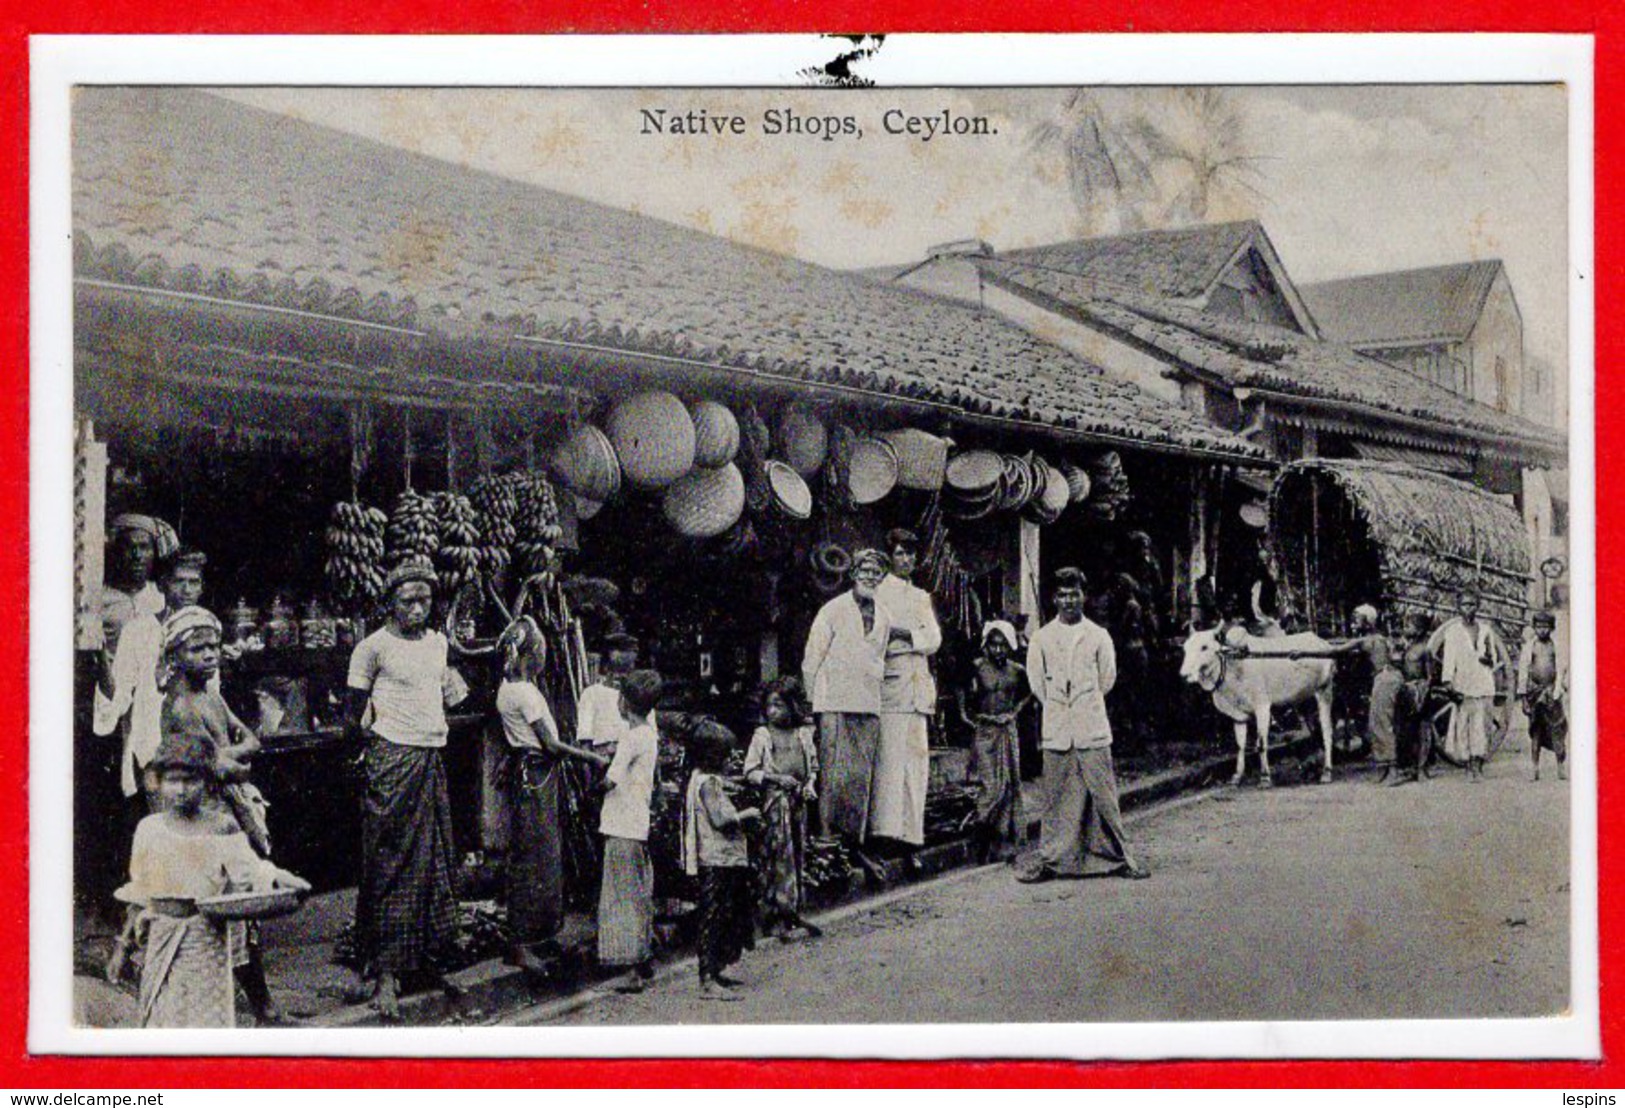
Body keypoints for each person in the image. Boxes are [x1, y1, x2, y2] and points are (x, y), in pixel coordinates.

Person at [112, 731, 308, 1028]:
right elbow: (140, 892)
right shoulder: (149, 830)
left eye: (190, 780)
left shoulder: (221, 827)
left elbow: (253, 872)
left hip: (205, 941)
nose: (180, 790)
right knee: (161, 1023)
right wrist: (122, 949)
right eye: (172, 780)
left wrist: (286, 881)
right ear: (158, 781)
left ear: (207, 782)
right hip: (161, 941)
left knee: (203, 1023)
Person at [147, 605, 287, 1022]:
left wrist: (231, 758)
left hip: (224, 806)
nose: (209, 655)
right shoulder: (181, 706)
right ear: (175, 655)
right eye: (197, 649)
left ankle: (259, 1005)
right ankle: (256, 1006)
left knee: (239, 911)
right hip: (205, 815)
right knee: (222, 910)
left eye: (213, 646)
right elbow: (225, 767)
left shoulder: (210, 694)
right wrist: (233, 761)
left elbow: (248, 743)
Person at [344, 562, 467, 1020]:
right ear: (389, 603)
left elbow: (451, 695)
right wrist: (368, 757)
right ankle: (385, 974)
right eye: (407, 600)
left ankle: (424, 962)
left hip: (430, 758)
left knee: (434, 862)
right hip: (391, 762)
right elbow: (353, 716)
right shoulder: (371, 648)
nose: (417, 608)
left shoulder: (438, 644)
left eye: (424, 599)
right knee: (391, 862)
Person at [494, 616, 610, 976]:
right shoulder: (525, 693)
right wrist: (590, 756)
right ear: (529, 655)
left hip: (531, 774)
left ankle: (538, 935)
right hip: (537, 775)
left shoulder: (508, 687)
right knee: (534, 857)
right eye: (541, 650)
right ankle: (521, 943)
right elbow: (551, 744)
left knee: (540, 854)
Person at [1018, 567, 1148, 883]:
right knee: (1057, 798)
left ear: (1084, 596)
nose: (1069, 600)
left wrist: (1083, 701)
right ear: (1054, 598)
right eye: (1062, 594)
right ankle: (1051, 860)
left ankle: (1122, 857)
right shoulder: (1041, 638)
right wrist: (1061, 705)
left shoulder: (1098, 636)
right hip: (1058, 727)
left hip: (1091, 723)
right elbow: (1037, 684)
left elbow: (1107, 679)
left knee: (1103, 793)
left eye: (1074, 593)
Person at [802, 549, 893, 851]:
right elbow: (811, 660)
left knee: (860, 776)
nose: (870, 575)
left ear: (882, 577)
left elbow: (879, 657)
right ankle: (827, 835)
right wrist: (811, 703)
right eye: (864, 570)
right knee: (833, 773)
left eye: (876, 571)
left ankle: (853, 840)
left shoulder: (885, 615)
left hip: (868, 702)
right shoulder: (832, 610)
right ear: (853, 574)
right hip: (834, 702)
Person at [872, 529, 941, 853]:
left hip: (917, 689)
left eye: (911, 554)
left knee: (916, 762)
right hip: (892, 687)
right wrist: (909, 637)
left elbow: (934, 639)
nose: (907, 560)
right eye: (900, 553)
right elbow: (878, 638)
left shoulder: (920, 597)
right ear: (890, 557)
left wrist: (906, 634)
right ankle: (886, 834)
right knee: (890, 762)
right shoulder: (878, 594)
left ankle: (912, 835)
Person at [682, 725, 761, 1001]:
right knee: (714, 918)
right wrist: (747, 814)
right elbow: (719, 819)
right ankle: (707, 979)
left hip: (718, 859)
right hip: (718, 860)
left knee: (720, 916)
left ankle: (714, 973)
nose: (731, 760)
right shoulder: (709, 784)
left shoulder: (701, 779)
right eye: (726, 756)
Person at [597, 668, 664, 994]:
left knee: (621, 897)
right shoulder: (648, 735)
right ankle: (644, 957)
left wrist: (593, 784)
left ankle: (630, 970)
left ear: (624, 703)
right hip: (637, 823)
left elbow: (611, 779)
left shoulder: (629, 737)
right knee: (638, 893)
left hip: (620, 823)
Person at [1286, 605, 1404, 783]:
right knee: (1376, 724)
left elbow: (1334, 651)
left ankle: (1393, 771)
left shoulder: (1367, 640)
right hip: (1387, 677)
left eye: (1358, 619)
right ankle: (1385, 769)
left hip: (1385, 679)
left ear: (1367, 620)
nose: (1354, 622)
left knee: (1381, 724)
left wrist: (1304, 653)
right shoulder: (1379, 638)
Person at [743, 677, 823, 941]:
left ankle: (795, 910)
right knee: (778, 856)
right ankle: (775, 914)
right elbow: (751, 771)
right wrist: (776, 779)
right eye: (769, 706)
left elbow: (812, 767)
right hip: (775, 804)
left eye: (779, 705)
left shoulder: (803, 735)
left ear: (793, 706)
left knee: (798, 852)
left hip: (797, 802)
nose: (773, 711)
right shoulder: (763, 736)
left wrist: (809, 784)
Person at [956, 620, 1030, 862]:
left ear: (1009, 646)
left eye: (1002, 646)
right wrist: (964, 714)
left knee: (1009, 784)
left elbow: (1032, 692)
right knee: (991, 786)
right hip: (985, 730)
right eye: (993, 645)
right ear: (986, 646)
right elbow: (959, 686)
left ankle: (1002, 842)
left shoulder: (1017, 670)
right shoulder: (978, 668)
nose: (998, 650)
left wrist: (1014, 712)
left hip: (1007, 730)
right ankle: (980, 841)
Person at [1427, 591, 1510, 782]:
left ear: (1477, 606)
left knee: (1481, 727)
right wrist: (1449, 684)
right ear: (1458, 607)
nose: (1468, 608)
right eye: (1465, 605)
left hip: (1483, 683)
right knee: (1462, 727)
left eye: (1472, 604)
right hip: (1463, 685)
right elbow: (1448, 662)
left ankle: (1477, 766)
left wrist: (1488, 659)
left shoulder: (1486, 630)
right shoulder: (1453, 632)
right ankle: (1467, 767)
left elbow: (1494, 659)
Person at [576, 632, 649, 756]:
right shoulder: (591, 694)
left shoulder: (639, 693)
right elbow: (585, 742)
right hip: (603, 762)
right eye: (617, 675)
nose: (619, 678)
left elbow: (649, 737)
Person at [1519, 610, 1568, 782]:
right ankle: (1534, 767)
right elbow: (1523, 672)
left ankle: (1561, 767)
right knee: (1536, 730)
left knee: (1557, 729)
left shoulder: (1556, 646)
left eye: (1546, 627)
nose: (1542, 630)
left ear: (1551, 628)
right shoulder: (1529, 647)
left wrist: (1558, 689)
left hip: (1551, 692)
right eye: (1539, 627)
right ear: (1534, 628)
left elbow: (1561, 668)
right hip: (1534, 693)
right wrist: (1524, 697)